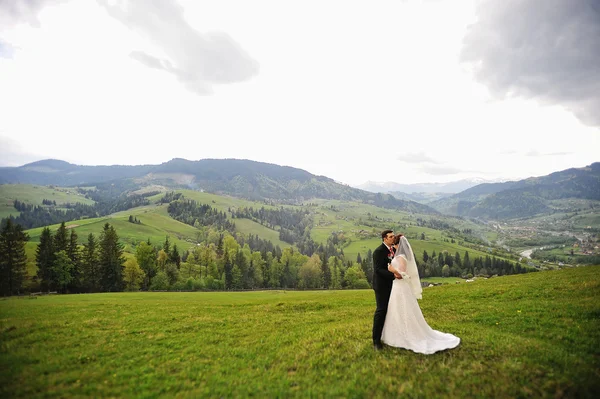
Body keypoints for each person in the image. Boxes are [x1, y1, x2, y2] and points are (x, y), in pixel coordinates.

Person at [381, 234, 460, 354]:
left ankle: (404, 335)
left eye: (393, 243)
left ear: (397, 245)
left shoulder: (401, 258)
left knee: (402, 309)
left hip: (400, 287)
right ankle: (396, 333)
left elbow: (401, 275)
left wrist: (391, 269)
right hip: (397, 287)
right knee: (396, 310)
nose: (392, 245)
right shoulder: (400, 256)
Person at [372, 229, 401, 351]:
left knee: (393, 310)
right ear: (384, 238)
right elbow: (378, 269)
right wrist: (393, 275)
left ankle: (390, 336)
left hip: (393, 285)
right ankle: (376, 341)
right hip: (382, 285)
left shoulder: (394, 250)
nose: (393, 238)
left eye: (394, 236)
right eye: (390, 237)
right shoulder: (378, 251)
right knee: (381, 311)